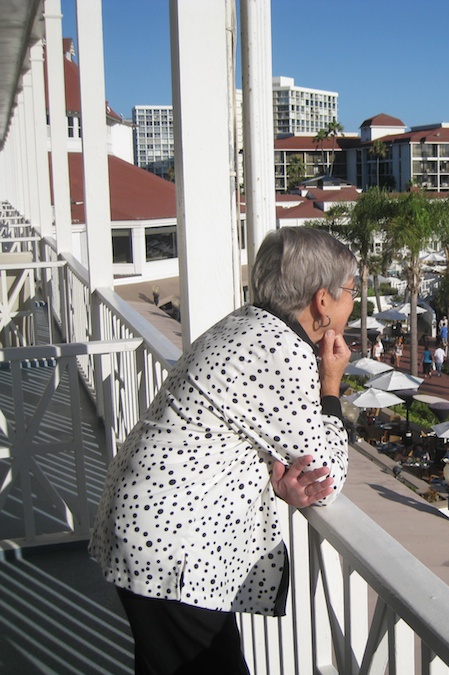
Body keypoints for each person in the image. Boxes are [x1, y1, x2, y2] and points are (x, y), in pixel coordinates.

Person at [89, 227, 357, 674]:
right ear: (322, 301)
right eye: (351, 290)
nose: (355, 302)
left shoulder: (247, 323)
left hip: (151, 530)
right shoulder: (281, 349)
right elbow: (327, 478)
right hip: (173, 549)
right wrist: (331, 386)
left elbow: (248, 429)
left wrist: (279, 473)